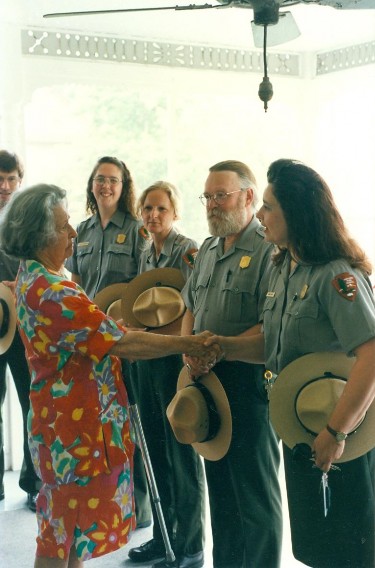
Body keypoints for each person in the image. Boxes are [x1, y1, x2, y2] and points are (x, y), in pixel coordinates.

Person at [0, 182, 217, 568]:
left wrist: (105, 328)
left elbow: (85, 336)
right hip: (73, 431)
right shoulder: (51, 290)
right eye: (64, 226)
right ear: (39, 235)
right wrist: (188, 344)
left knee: (69, 533)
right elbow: (124, 344)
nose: (73, 233)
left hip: (61, 424)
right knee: (58, 537)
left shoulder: (34, 275)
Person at [207, 158, 375, 568]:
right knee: (314, 547)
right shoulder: (285, 266)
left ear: (296, 214)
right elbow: (273, 343)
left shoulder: (336, 276)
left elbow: (371, 356)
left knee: (351, 550)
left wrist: (336, 432)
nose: (260, 216)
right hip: (301, 428)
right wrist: (218, 346)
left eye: (268, 207)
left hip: (344, 437)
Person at [181, 160, 282, 568]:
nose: (212, 205)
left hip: (247, 383)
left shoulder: (268, 250)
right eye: (208, 196)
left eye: (221, 195)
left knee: (255, 498)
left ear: (248, 197)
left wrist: (219, 349)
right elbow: (190, 304)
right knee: (221, 494)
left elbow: (271, 322)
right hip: (204, 381)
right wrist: (190, 347)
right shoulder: (207, 249)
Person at [65, 155, 151, 528]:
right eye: (100, 179)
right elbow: (76, 283)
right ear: (92, 185)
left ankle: (142, 509)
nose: (105, 186)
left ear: (124, 186)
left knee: (134, 421)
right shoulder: (81, 231)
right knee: (103, 424)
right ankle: (113, 505)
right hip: (91, 342)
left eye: (113, 180)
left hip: (124, 339)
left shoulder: (136, 230)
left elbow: (146, 288)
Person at [127, 182, 205, 568]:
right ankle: (162, 538)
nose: (153, 215)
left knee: (180, 453)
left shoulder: (187, 250)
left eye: (160, 209)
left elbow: (193, 309)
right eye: (147, 209)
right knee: (154, 451)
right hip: (146, 361)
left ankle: (189, 545)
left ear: (174, 212)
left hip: (174, 361)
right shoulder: (145, 250)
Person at [0, 149, 40, 511]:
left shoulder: (28, 218)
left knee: (34, 402)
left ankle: (33, 483)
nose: (5, 186)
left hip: (25, 323)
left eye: (11, 179)